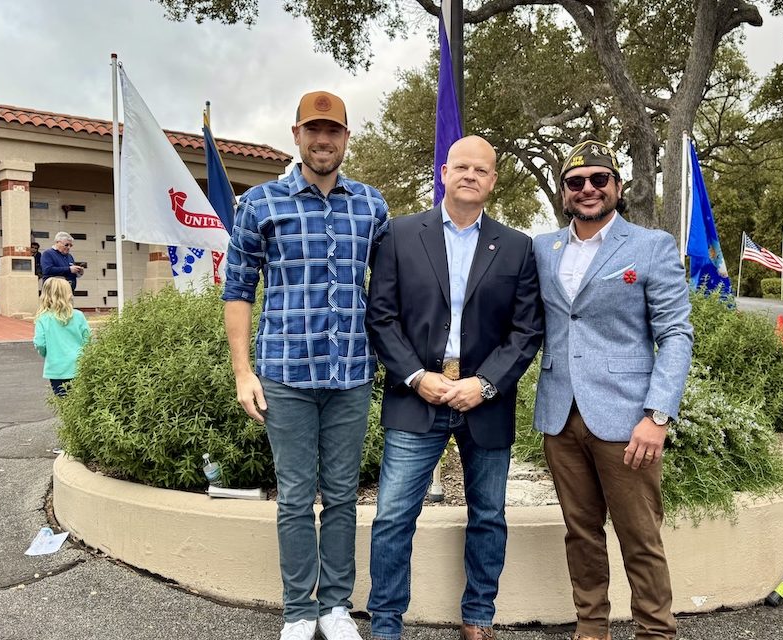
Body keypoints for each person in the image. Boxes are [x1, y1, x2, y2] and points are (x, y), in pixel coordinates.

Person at [221, 90, 388, 640]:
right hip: (285, 375)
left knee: (341, 494)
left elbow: (387, 291)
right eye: (313, 130)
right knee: (295, 496)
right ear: (296, 134)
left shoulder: (371, 206)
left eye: (333, 131)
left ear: (345, 138)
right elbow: (239, 290)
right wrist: (244, 372)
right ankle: (298, 610)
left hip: (350, 375)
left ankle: (336, 607)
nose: (323, 140)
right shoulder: (259, 205)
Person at [365, 135, 544, 640]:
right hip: (414, 396)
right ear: (443, 172)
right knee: (393, 516)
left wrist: (485, 384)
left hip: (484, 402)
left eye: (481, 170)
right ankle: (385, 623)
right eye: (461, 166)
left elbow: (526, 330)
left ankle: (479, 617)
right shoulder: (399, 235)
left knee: (488, 515)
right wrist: (416, 376)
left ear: (492, 181)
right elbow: (380, 317)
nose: (470, 175)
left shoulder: (517, 246)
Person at [532, 140, 693, 640]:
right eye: (575, 182)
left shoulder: (650, 246)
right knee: (581, 534)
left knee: (640, 537)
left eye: (599, 180)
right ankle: (591, 628)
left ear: (617, 188)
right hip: (560, 416)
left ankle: (655, 632)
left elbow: (675, 334)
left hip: (627, 420)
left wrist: (657, 416)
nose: (587, 189)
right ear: (563, 194)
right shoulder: (543, 249)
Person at [33, 277, 90, 397]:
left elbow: (40, 343)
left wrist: (48, 354)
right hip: (79, 366)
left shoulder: (43, 318)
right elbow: (88, 340)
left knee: (63, 403)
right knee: (79, 402)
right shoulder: (78, 316)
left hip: (56, 367)